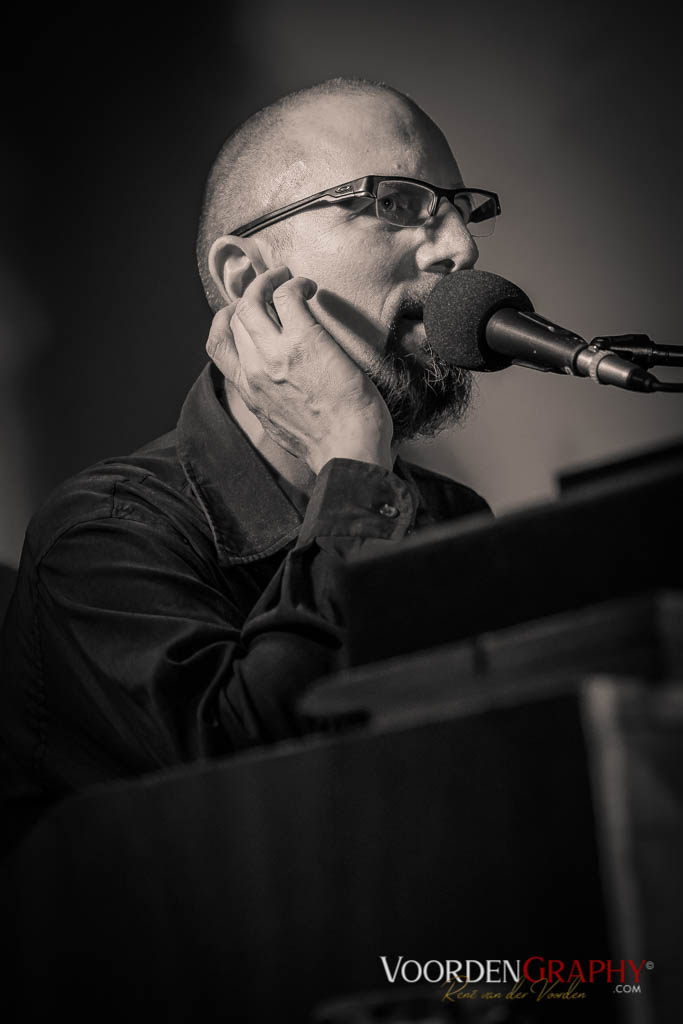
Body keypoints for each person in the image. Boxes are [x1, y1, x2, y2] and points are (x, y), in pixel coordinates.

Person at [0, 78, 493, 839]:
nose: (462, 247)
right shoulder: (104, 536)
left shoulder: (450, 518)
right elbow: (265, 800)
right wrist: (351, 452)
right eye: (395, 203)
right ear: (247, 278)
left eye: (464, 210)